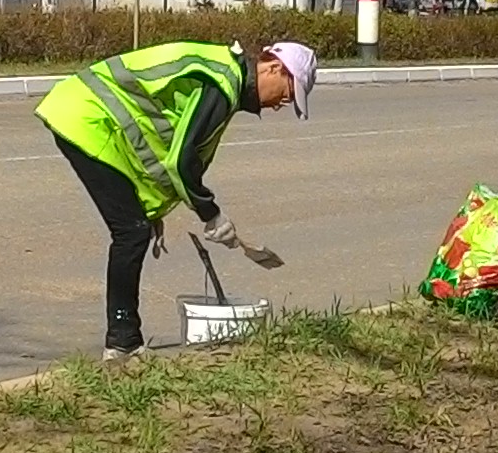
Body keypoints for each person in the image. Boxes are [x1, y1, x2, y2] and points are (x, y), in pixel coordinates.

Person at [36, 38, 312, 360]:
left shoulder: (225, 77)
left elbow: (157, 144)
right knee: (131, 231)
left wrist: (151, 209)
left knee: (136, 227)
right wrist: (211, 214)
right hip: (85, 116)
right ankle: (123, 343)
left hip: (87, 113)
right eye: (287, 93)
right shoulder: (222, 84)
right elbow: (181, 161)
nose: (280, 104)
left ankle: (124, 341)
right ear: (274, 67)